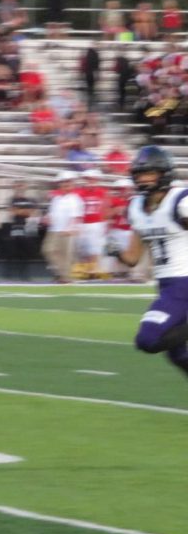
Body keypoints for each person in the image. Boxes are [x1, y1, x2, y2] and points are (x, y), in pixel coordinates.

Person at [109, 146, 188, 380]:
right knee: (178, 355)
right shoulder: (136, 207)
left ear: (164, 173)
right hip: (165, 285)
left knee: (148, 339)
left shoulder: (180, 201)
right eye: (140, 174)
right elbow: (133, 259)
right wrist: (116, 252)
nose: (143, 179)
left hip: (183, 283)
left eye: (150, 173)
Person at [42, 171, 83, 283]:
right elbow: (51, 213)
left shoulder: (75, 199)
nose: (65, 185)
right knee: (48, 250)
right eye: (63, 183)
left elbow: (76, 217)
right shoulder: (56, 199)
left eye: (68, 183)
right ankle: (63, 274)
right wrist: (47, 218)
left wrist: (70, 228)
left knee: (66, 255)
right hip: (54, 229)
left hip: (67, 230)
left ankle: (66, 277)